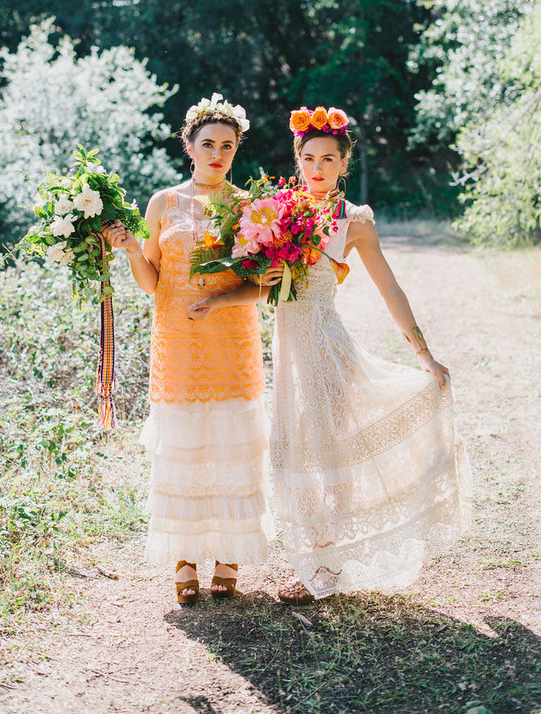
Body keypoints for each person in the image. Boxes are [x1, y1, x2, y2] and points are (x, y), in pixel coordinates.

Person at [270, 105, 472, 604]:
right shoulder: (276, 212)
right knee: (292, 449)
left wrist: (424, 354)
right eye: (309, 158)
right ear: (297, 160)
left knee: (325, 451)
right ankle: (317, 557)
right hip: (285, 347)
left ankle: (325, 565)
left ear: (345, 163)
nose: (318, 168)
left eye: (329, 159)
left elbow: (390, 289)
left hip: (323, 342)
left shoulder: (353, 220)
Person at [102, 93, 279, 605]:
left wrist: (223, 300)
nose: (217, 154)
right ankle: (183, 557)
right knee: (183, 442)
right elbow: (152, 282)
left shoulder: (251, 207)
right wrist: (131, 249)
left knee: (231, 440)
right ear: (190, 146)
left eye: (227, 145)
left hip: (232, 338)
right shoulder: (163, 203)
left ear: (237, 149)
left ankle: (228, 553)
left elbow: (263, 286)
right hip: (177, 339)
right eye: (208, 144)